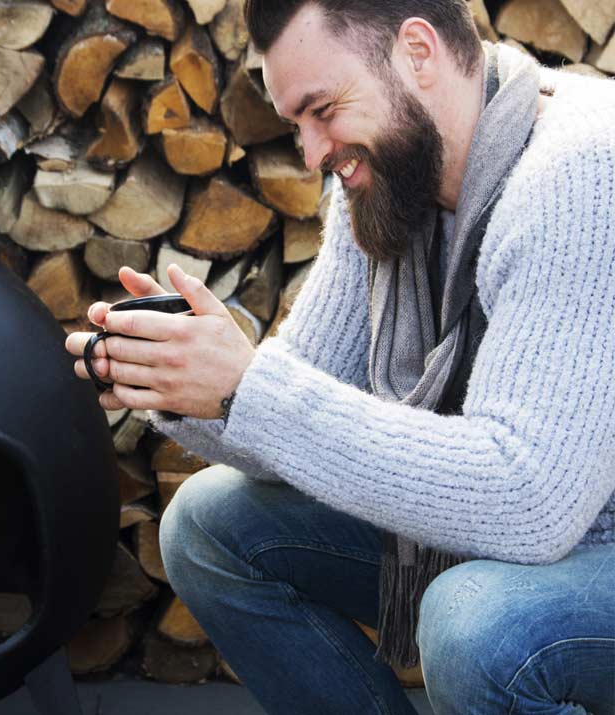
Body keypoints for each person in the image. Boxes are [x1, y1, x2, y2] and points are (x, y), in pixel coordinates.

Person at [65, 1, 615, 712]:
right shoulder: (394, 180)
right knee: (207, 526)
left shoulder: (581, 171)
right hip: (535, 535)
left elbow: (530, 499)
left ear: (418, 52)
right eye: (296, 124)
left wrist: (247, 388)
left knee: (476, 621)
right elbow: (287, 420)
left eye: (321, 110)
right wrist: (176, 377)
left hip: (577, 541)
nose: (313, 153)